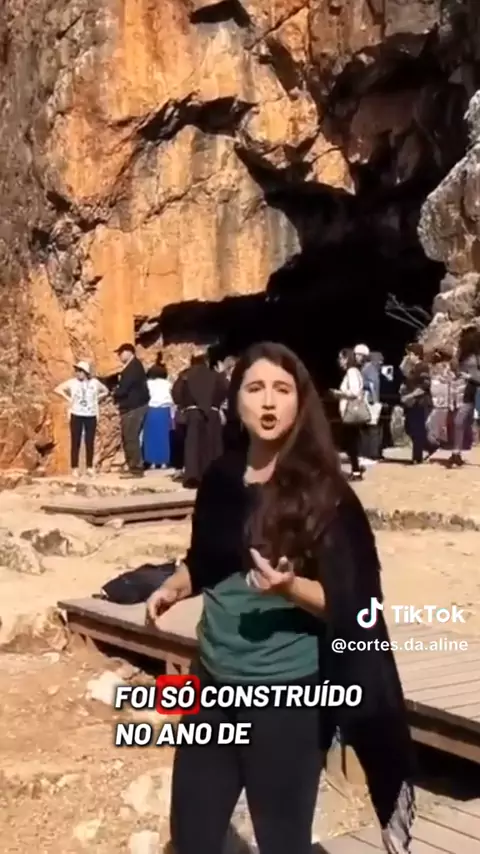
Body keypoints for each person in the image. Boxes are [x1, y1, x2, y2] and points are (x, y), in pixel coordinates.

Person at [146, 341, 414, 854]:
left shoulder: (325, 494)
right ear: (236, 400)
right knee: (192, 835)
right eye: (255, 388)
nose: (268, 402)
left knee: (282, 843)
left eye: (282, 389)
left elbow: (354, 603)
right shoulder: (221, 478)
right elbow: (204, 559)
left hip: (287, 697)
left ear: (300, 402)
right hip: (212, 685)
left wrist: (289, 586)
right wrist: (174, 586)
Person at [172, 352, 228, 488]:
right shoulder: (216, 375)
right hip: (212, 413)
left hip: (193, 413)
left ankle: (192, 477)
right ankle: (214, 477)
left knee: (193, 446)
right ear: (206, 362)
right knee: (212, 445)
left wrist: (183, 405)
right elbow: (225, 389)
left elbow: (176, 393)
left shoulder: (185, 375)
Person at [54, 360, 109, 477]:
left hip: (91, 414)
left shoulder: (94, 383)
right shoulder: (72, 382)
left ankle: (89, 467)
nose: (78, 373)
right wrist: (68, 398)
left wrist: (97, 399)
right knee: (75, 441)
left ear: (86, 372)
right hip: (76, 414)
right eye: (77, 371)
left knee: (89, 441)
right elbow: (58, 389)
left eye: (80, 371)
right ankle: (75, 467)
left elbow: (106, 391)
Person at [112, 343, 150, 478]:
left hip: (134, 407)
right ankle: (132, 465)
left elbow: (125, 387)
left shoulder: (133, 367)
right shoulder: (131, 367)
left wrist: (115, 393)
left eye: (121, 352)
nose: (119, 355)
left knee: (131, 437)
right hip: (132, 406)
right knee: (128, 436)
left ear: (129, 352)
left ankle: (136, 468)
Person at [331, 348, 367, 481]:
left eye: (341, 358)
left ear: (346, 359)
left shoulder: (352, 372)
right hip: (350, 411)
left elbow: (354, 392)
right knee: (351, 441)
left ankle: (356, 470)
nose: (339, 361)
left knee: (350, 441)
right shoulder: (353, 372)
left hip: (350, 411)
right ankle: (356, 467)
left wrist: (338, 393)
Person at [399, 343, 434, 465]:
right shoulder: (413, 368)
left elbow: (424, 386)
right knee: (410, 428)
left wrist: (409, 396)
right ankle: (427, 449)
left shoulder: (423, 367)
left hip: (420, 402)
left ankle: (418, 457)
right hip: (412, 403)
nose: (408, 357)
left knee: (417, 429)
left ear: (417, 355)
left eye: (410, 354)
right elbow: (403, 371)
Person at [451, 326, 480, 466]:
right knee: (459, 421)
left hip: (473, 390)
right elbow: (456, 370)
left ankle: (456, 452)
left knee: (460, 421)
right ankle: (456, 453)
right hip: (465, 391)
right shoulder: (462, 355)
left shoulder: (476, 356)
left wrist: (469, 376)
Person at [142, 360, 173, 469]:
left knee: (151, 437)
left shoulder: (148, 383)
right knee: (164, 437)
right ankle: (164, 461)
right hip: (165, 411)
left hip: (151, 410)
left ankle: (152, 461)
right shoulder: (168, 384)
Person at [354, 344, 380, 467]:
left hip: (370, 401)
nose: (357, 357)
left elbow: (373, 384)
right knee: (364, 428)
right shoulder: (364, 368)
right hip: (366, 400)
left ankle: (372, 455)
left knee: (371, 428)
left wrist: (373, 401)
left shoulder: (369, 368)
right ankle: (365, 453)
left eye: (359, 355)